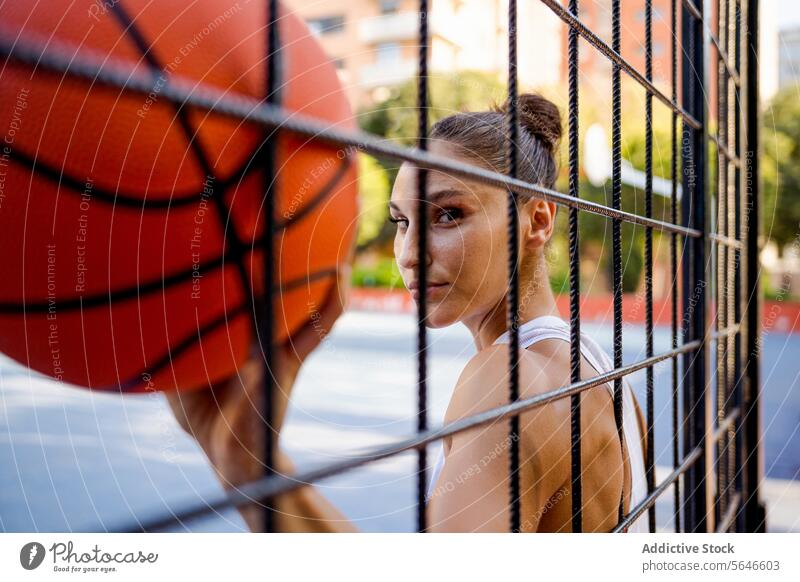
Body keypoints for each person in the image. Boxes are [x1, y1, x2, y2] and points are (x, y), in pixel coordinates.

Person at [388, 93, 649, 532]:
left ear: (539, 220)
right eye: (402, 222)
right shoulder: (604, 372)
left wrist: (251, 467)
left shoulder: (507, 382)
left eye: (448, 214)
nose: (410, 254)